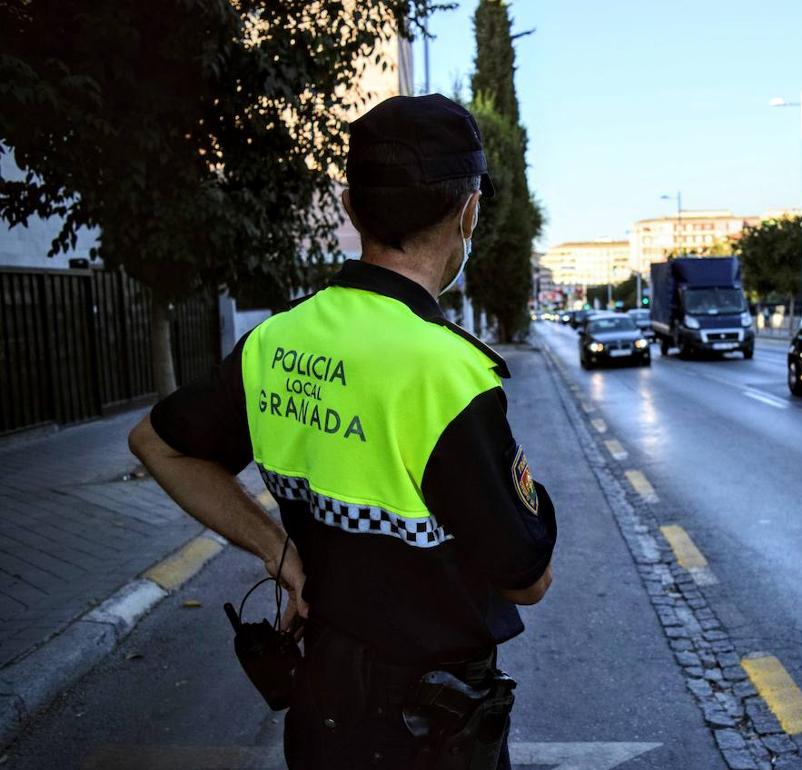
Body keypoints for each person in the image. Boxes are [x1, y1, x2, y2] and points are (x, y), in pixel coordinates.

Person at [128, 94, 557, 770]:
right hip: (432, 733)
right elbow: (527, 580)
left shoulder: (273, 341)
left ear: (353, 209)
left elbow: (156, 443)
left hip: (321, 709)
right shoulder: (446, 373)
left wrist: (280, 553)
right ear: (468, 211)